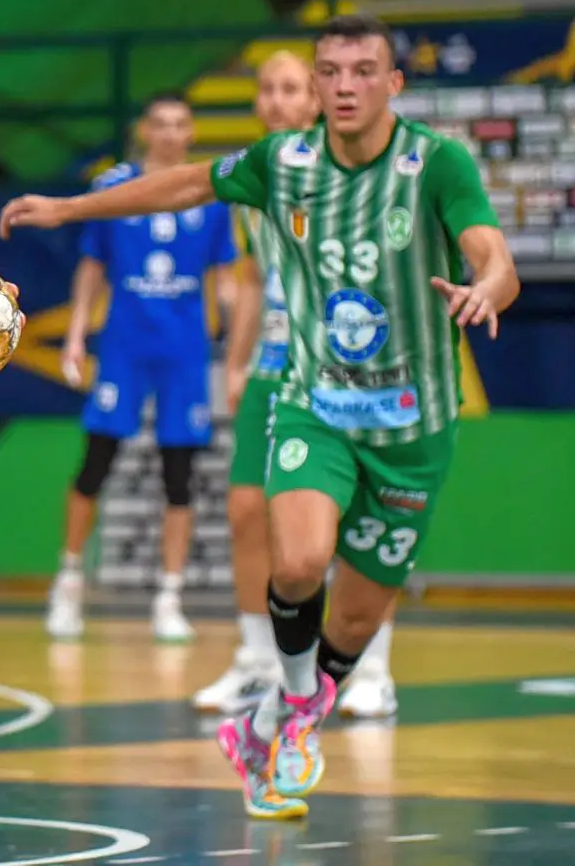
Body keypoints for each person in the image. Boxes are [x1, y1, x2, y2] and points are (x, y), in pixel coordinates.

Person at [0, 13, 519, 819]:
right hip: (316, 402)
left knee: (356, 615)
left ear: (393, 83)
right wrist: (72, 209)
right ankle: (294, 700)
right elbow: (184, 183)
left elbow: (493, 253)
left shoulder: (435, 163)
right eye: (330, 71)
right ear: (317, 84)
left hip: (412, 427)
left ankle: (275, 720)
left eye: (363, 71)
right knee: (300, 559)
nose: (344, 86)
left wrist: (488, 286)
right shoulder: (285, 162)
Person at [193, 52, 400, 721]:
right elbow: (254, 279)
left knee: (354, 525)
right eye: (267, 88)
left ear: (313, 99)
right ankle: (258, 662)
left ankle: (371, 668)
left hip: (344, 372)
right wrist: (237, 361)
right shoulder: (257, 178)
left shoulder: (351, 169)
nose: (277, 100)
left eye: (290, 88)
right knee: (246, 511)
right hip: (274, 368)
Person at [18, 95, 235, 643]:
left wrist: (238, 346)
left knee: (179, 475)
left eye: (180, 124)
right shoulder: (113, 186)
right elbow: (92, 266)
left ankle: (170, 597)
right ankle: (68, 581)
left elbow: (227, 279)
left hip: (184, 352)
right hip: (123, 348)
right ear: (144, 129)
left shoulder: (210, 195)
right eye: (159, 123)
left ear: (191, 132)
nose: (169, 133)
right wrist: (75, 335)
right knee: (96, 463)